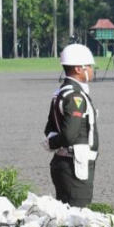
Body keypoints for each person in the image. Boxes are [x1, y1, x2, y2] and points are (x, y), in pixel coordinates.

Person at [44, 43, 99, 207]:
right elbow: (69, 134)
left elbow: (50, 128)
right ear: (78, 69)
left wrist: (53, 141)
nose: (92, 70)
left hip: (67, 162)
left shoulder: (61, 92)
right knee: (77, 214)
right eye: (89, 66)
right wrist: (52, 143)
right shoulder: (75, 96)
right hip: (74, 165)